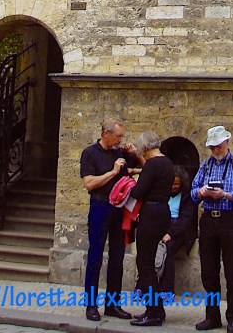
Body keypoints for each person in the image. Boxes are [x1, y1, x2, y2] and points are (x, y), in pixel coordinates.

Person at [191, 125, 233, 333]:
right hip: (209, 219)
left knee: (232, 271)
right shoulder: (206, 165)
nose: (215, 150)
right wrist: (201, 192)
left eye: (218, 146)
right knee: (209, 271)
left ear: (227, 142)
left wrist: (225, 195)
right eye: (212, 147)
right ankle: (212, 315)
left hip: (230, 219)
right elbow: (192, 192)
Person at [80, 119, 142, 322]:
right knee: (95, 256)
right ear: (105, 133)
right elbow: (89, 183)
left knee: (117, 257)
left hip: (119, 208)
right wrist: (113, 172)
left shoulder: (120, 153)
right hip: (99, 206)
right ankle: (91, 305)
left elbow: (144, 167)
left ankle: (112, 304)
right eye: (118, 136)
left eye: (122, 136)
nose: (120, 139)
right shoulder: (90, 153)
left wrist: (135, 154)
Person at [129, 131, 176, 326]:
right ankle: (156, 310)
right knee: (148, 262)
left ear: (146, 148)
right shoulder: (167, 163)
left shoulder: (152, 164)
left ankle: (153, 311)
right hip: (163, 212)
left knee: (145, 263)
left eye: (143, 151)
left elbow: (138, 192)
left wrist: (130, 184)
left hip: (150, 214)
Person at [159, 166, 197, 299]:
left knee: (167, 251)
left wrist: (170, 234)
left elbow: (185, 220)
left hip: (179, 231)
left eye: (176, 184)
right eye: (172, 184)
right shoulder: (162, 193)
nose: (174, 187)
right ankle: (143, 287)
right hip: (163, 227)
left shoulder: (187, 196)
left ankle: (167, 290)